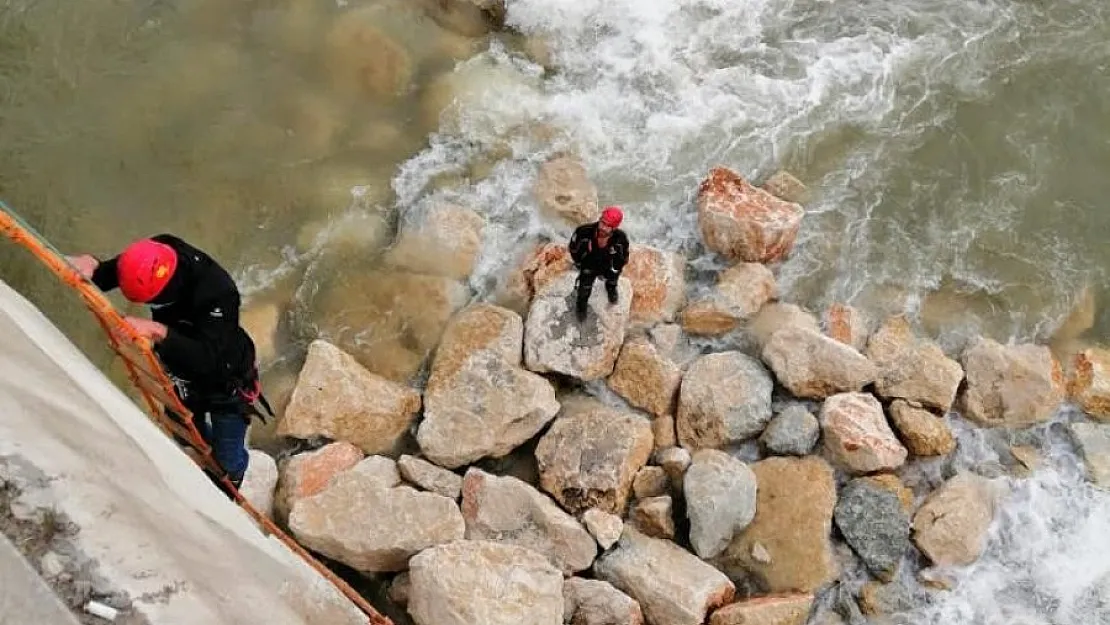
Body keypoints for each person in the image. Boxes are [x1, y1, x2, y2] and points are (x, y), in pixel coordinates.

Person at [67, 234, 271, 491]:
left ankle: (232, 477)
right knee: (182, 428)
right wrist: (94, 268)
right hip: (182, 370)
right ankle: (207, 461)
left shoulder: (219, 293)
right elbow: (121, 272)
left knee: (228, 458)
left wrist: (158, 331)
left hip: (226, 380)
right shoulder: (160, 250)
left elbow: (209, 358)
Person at [568, 206, 630, 322]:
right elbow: (573, 249)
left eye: (607, 226)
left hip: (608, 264)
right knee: (584, 288)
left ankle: (611, 289)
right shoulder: (583, 232)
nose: (602, 227)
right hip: (589, 263)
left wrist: (616, 268)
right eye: (602, 222)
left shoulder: (620, 239)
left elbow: (623, 257)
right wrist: (580, 261)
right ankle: (581, 308)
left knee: (612, 280)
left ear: (614, 228)